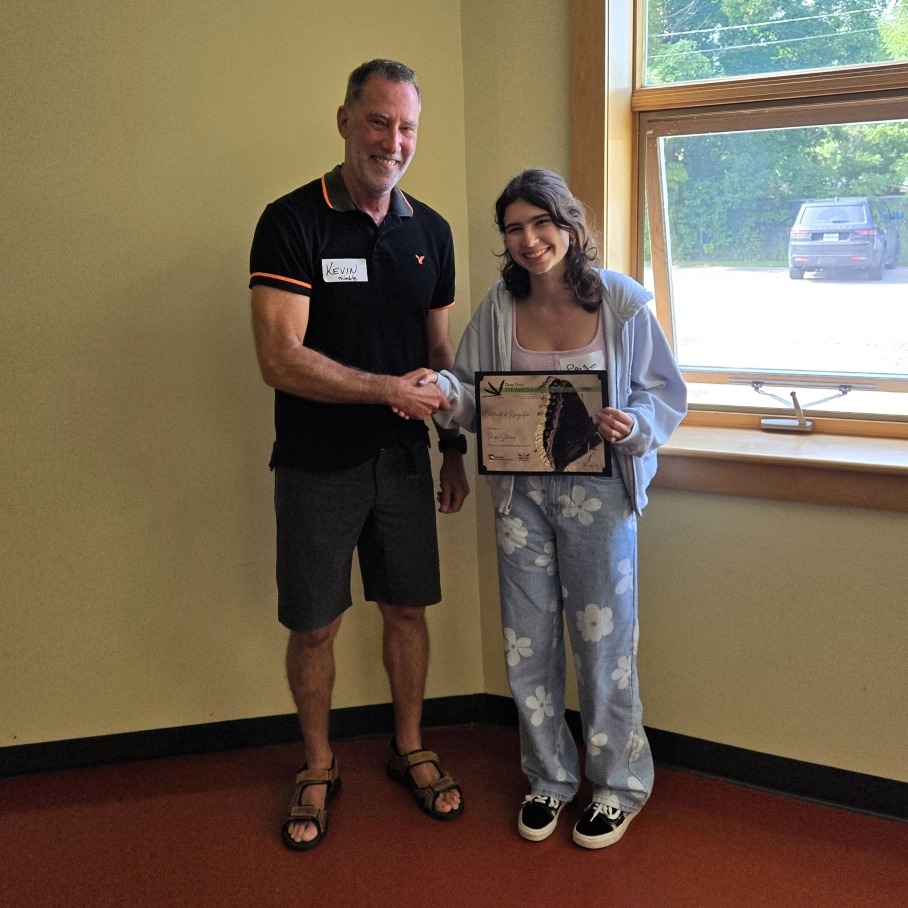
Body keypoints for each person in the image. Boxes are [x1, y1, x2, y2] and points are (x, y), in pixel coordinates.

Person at [424, 168, 686, 848]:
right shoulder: (500, 307)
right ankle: (548, 776)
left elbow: (664, 392)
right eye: (514, 228)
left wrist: (636, 425)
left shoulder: (620, 302)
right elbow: (474, 393)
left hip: (603, 495)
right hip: (521, 496)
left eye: (542, 223)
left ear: (570, 226)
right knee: (527, 641)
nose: (529, 239)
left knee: (606, 645)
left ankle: (618, 784)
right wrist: (442, 395)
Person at [249, 59, 469, 851]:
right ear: (344, 120)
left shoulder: (431, 231)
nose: (393, 140)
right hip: (316, 464)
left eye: (407, 126)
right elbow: (280, 357)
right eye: (379, 121)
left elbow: (438, 353)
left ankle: (408, 745)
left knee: (406, 610)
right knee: (314, 625)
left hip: (406, 464)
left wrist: (452, 444)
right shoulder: (291, 221)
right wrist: (388, 393)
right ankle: (317, 763)